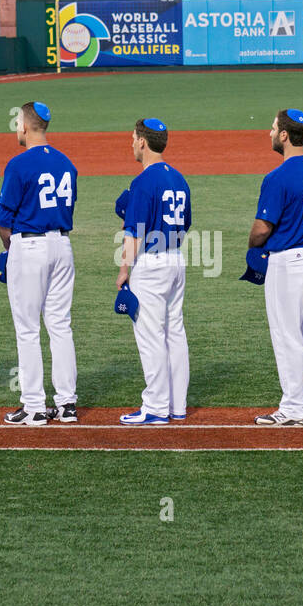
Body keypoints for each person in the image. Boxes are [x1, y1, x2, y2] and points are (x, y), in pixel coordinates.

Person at [248, 108, 303, 426]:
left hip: (289, 261)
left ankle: (293, 407)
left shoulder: (278, 176)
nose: (269, 133)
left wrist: (252, 247)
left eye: (273, 128)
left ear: (285, 135)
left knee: (287, 334)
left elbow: (262, 227)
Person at [0, 101, 78, 426]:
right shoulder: (66, 162)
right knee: (60, 325)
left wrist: (9, 252)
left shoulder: (18, 164)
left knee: (28, 329)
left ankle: (33, 407)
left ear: (26, 126)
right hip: (62, 245)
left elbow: (4, 220)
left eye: (18, 122)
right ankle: (67, 404)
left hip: (29, 246)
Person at [115, 117, 191, 425]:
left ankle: (156, 407)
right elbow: (185, 225)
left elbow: (135, 232)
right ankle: (177, 405)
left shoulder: (144, 181)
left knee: (150, 335)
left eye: (134, 138)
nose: (132, 143)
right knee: (174, 332)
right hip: (176, 258)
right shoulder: (179, 178)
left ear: (143, 142)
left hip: (152, 263)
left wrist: (124, 270)